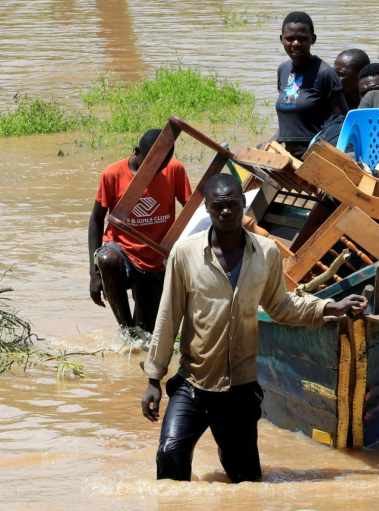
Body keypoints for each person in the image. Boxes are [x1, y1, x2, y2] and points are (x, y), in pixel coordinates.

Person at [140, 174, 367, 483]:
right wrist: (154, 378)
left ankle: (229, 457)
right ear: (206, 208)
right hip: (194, 383)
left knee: (245, 480)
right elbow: (168, 316)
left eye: (232, 205)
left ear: (243, 204)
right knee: (169, 456)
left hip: (240, 388)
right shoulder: (186, 253)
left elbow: (281, 306)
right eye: (217, 206)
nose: (225, 212)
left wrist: (329, 307)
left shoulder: (266, 253)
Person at [88, 129, 192, 333]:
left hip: (157, 259)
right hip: (122, 252)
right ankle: (126, 330)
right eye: (150, 165)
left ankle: (137, 334)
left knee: (148, 333)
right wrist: (93, 274)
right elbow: (96, 220)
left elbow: (191, 210)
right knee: (107, 259)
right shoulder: (113, 174)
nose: (155, 172)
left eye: (161, 167)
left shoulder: (174, 169)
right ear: (137, 151)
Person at [275, 11, 348, 158]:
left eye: (302, 39)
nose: (296, 43)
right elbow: (290, 118)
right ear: (281, 39)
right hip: (288, 155)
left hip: (316, 155)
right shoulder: (283, 70)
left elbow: (343, 121)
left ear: (313, 39)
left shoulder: (325, 73)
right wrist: (273, 142)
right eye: (290, 39)